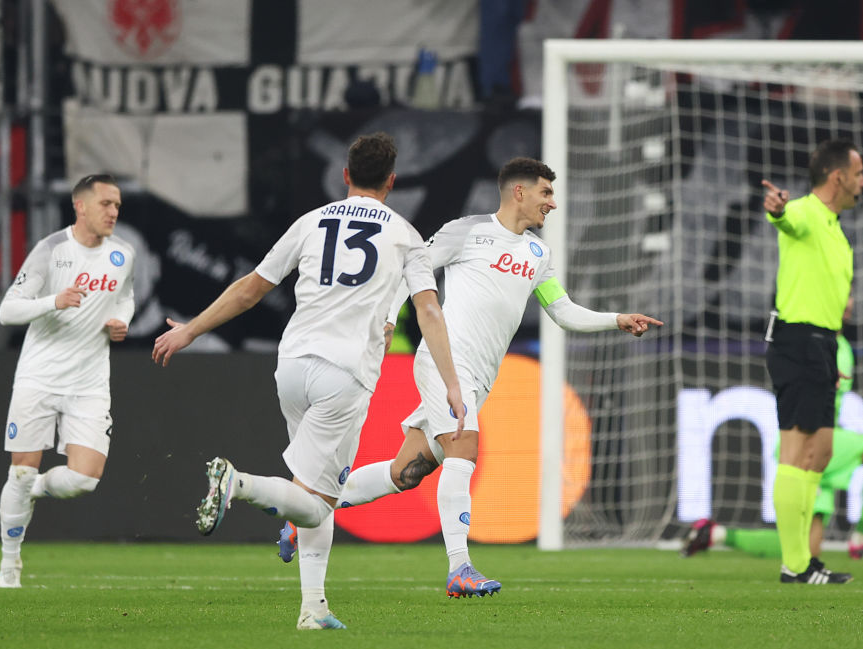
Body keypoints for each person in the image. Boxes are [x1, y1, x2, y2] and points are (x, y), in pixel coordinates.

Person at [279, 157, 663, 598]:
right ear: (518, 192)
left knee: (406, 472)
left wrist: (616, 319)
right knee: (464, 446)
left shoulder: (539, 253)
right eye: (546, 193)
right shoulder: (466, 230)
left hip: (480, 375)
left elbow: (563, 311)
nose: (552, 204)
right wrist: (387, 319)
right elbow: (410, 275)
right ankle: (460, 567)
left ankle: (308, 509)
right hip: (448, 362)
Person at [152, 132, 464, 631]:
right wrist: (451, 383)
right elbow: (427, 308)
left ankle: (313, 609)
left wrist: (190, 328)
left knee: (318, 493)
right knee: (320, 506)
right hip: (344, 375)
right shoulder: (406, 234)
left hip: (292, 365)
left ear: (345, 176)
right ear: (392, 181)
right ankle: (241, 483)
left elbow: (252, 288)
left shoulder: (312, 221)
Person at [684, 298, 863, 562]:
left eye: (850, 298)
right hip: (807, 438)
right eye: (841, 296)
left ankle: (716, 534)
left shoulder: (840, 345)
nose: (849, 303)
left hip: (821, 439)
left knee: (806, 549)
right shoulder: (812, 341)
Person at [0, 174, 135, 588]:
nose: (113, 212)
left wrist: (121, 320)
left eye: (117, 206)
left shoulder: (123, 254)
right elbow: (7, 311)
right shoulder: (51, 250)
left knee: (83, 481)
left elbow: (125, 295)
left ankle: (30, 488)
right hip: (39, 377)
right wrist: (52, 301)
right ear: (81, 206)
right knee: (18, 471)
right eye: (106, 204)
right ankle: (9, 565)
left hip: (90, 383)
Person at [761, 138, 863, 584]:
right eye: (859, 173)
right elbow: (785, 218)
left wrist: (831, 353)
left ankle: (802, 560)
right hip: (798, 338)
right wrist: (778, 208)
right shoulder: (805, 212)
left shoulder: (835, 228)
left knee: (819, 452)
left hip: (820, 344)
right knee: (798, 451)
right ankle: (796, 564)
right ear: (837, 176)